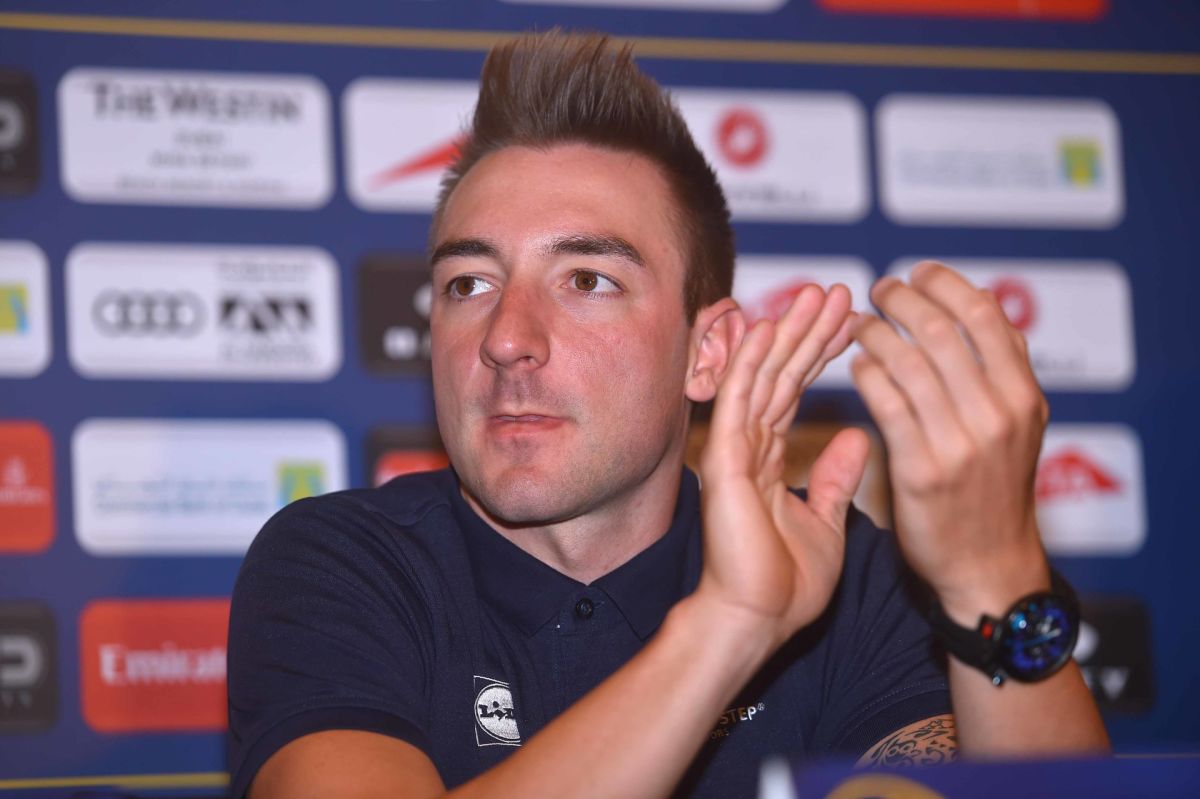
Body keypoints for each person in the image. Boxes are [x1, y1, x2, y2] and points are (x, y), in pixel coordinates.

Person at [226, 30, 1109, 799]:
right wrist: (731, 623)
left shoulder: (849, 576)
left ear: (706, 351)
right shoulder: (342, 562)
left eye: (587, 280)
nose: (506, 338)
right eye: (468, 283)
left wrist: (996, 580)